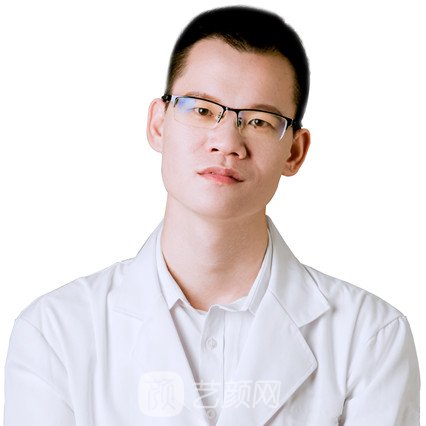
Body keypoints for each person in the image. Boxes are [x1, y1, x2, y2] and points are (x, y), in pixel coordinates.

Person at [4, 5, 420, 426]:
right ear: (158, 124)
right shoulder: (55, 332)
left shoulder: (369, 338)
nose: (227, 142)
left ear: (294, 151)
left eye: (259, 121)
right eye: (202, 110)